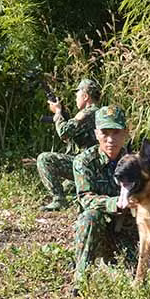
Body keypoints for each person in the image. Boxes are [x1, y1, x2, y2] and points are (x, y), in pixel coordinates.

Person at [71, 105, 137, 291]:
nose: (110, 140)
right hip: (98, 228)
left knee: (137, 274)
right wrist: (114, 202)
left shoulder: (134, 163)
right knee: (89, 216)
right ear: (96, 133)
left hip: (127, 228)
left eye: (116, 132)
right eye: (104, 133)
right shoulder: (84, 161)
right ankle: (81, 278)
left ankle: (110, 262)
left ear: (125, 133)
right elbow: (85, 198)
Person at [36, 78, 101, 211]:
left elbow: (64, 133)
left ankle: (59, 200)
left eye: (77, 94)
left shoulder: (88, 113)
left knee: (44, 159)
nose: (76, 97)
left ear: (85, 96)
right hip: (94, 165)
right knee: (67, 187)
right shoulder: (98, 112)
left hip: (88, 165)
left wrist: (58, 113)